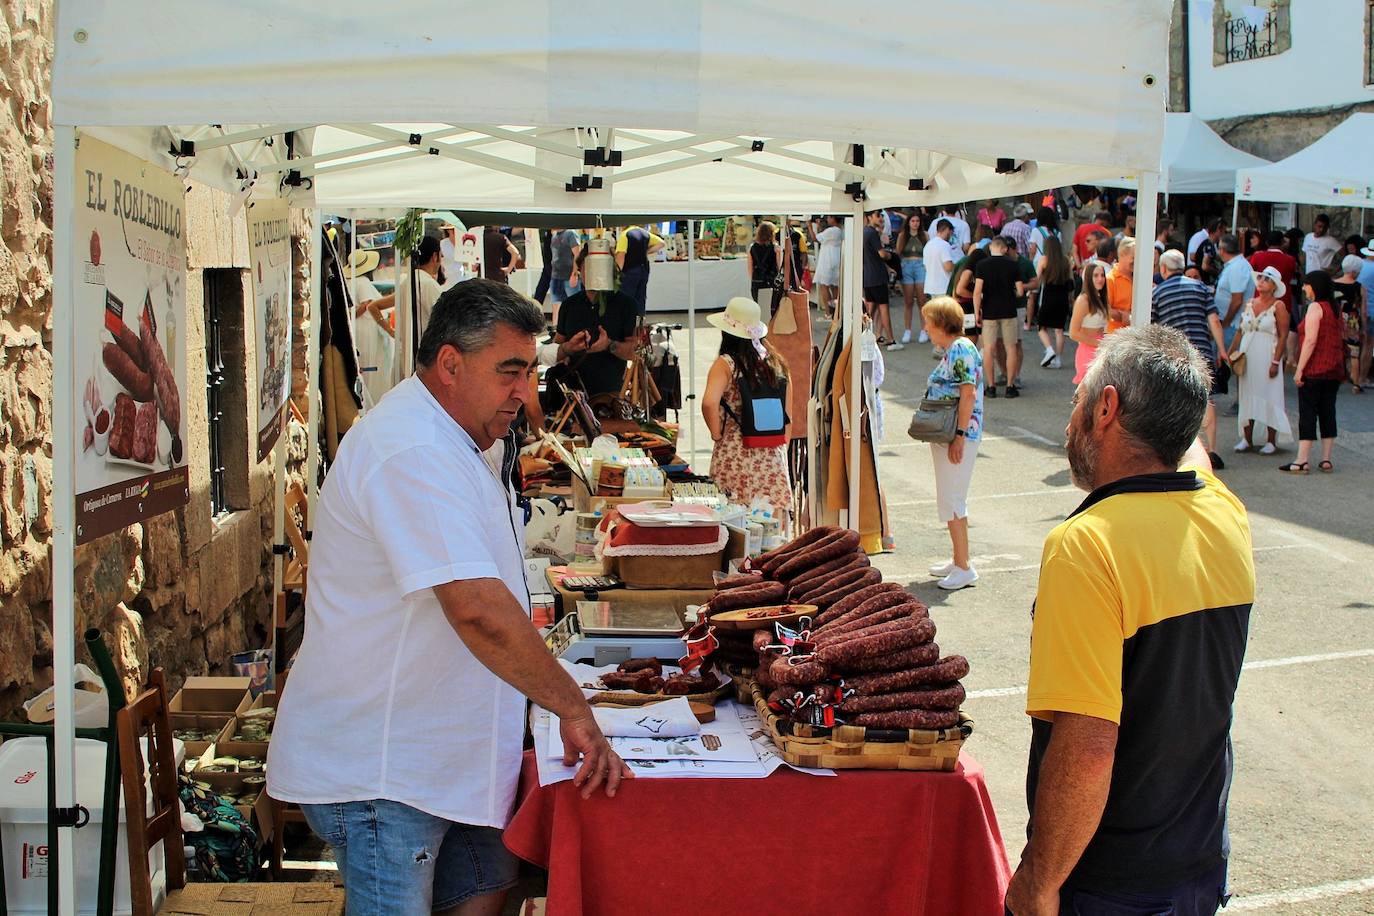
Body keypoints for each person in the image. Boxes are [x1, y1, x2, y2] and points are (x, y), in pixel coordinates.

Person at [268, 280, 629, 914]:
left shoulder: (454, 435)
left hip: (445, 758)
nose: (525, 391)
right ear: (451, 365)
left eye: (528, 371)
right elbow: (474, 606)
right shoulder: (411, 446)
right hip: (386, 769)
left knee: (486, 898)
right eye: (509, 372)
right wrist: (571, 706)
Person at [1005, 325, 1253, 916]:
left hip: (1108, 881)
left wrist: (1039, 883)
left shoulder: (1086, 545)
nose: (1070, 420)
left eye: (1078, 401)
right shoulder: (1224, 513)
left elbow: (1089, 744)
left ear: (1107, 407)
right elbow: (1190, 453)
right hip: (1196, 862)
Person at [701, 297, 793, 522]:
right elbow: (788, 414)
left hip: (735, 453)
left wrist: (716, 433)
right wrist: (780, 446)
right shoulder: (775, 362)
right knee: (769, 532)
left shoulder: (726, 363)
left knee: (735, 525)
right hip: (771, 456)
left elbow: (709, 402)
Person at [920, 296, 984, 591]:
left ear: (941, 324)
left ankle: (963, 566)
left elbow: (967, 394)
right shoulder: (958, 348)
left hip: (957, 434)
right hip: (953, 433)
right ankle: (958, 559)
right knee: (950, 496)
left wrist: (958, 436)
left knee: (952, 498)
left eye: (929, 323)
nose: (926, 328)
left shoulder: (959, 349)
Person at [1152, 249, 1230, 468]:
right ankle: (1212, 450)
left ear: (1164, 269)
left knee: (1177, 400)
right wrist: (1221, 350)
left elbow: (1153, 327)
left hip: (1173, 353)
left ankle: (1183, 451)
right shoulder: (1200, 287)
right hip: (1202, 351)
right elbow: (1214, 320)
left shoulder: (1157, 294)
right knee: (1207, 399)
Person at [553, 249, 641, 397]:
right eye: (589, 267)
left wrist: (609, 345)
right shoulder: (569, 305)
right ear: (580, 270)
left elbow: (636, 352)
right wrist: (569, 349)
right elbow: (557, 348)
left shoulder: (626, 305)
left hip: (610, 396)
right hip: (573, 396)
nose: (595, 273)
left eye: (600, 267)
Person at [1282, 271, 1346, 474]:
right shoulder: (1334, 309)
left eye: (1306, 284)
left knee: (1308, 413)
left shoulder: (1315, 308)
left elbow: (1310, 340)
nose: (1303, 288)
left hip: (1315, 369)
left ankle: (1302, 459)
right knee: (1328, 412)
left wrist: (1299, 370)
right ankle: (1326, 459)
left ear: (1314, 286)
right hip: (1333, 369)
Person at [1229, 266, 1291, 454]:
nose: (1262, 281)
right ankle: (1246, 438)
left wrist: (1275, 362)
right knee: (1247, 394)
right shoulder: (1250, 303)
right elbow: (1241, 330)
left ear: (1274, 286)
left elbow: (1283, 335)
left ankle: (1271, 440)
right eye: (1261, 278)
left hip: (1267, 354)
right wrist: (1230, 352)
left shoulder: (1278, 306)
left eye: (1267, 279)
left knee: (1270, 395)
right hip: (1248, 354)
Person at [974, 237, 1025, 398]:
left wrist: (977, 312)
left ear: (991, 248)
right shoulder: (1012, 265)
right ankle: (1010, 386)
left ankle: (991, 386)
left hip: (989, 311)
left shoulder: (982, 265)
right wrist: (1013, 294)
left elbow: (977, 291)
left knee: (989, 348)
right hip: (1009, 310)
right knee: (1011, 348)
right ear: (1004, 249)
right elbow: (1020, 290)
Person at [1033, 234, 1074, 370]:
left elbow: (1037, 278)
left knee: (1041, 327)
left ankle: (1049, 349)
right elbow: (1070, 281)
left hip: (1049, 296)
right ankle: (1059, 359)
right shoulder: (1066, 261)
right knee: (1059, 330)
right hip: (1062, 297)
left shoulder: (1044, 260)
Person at [861, 210, 899, 346]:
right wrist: (890, 256)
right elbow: (882, 254)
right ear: (870, 217)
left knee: (871, 308)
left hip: (868, 275)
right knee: (883, 307)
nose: (881, 218)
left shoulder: (864, 232)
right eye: (878, 215)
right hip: (877, 276)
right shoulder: (872, 233)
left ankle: (873, 335)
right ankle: (891, 338)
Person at [1070, 261, 1109, 384]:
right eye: (1095, 275)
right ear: (1088, 278)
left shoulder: (1100, 298)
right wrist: (1099, 343)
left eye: (1102, 275)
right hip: (1088, 351)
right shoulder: (1083, 301)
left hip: (1100, 350)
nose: (1100, 279)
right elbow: (1073, 333)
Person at [1213, 234, 1256, 342]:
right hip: (1229, 323)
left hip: (1232, 325)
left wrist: (1226, 323)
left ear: (1222, 250)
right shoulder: (1234, 265)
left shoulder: (1237, 267)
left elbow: (1237, 300)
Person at [1333, 254, 1366, 392]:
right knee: (1354, 352)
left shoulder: (1332, 284)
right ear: (1355, 271)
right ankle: (1356, 384)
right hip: (1352, 321)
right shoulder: (1359, 287)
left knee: (1336, 349)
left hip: (1336, 319)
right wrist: (1363, 326)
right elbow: (1363, 310)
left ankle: (1336, 378)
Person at [615, 224, 665, 315]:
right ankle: (640, 323)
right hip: (644, 270)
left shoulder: (625, 235)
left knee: (626, 299)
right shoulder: (645, 233)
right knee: (641, 298)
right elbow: (661, 243)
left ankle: (628, 323)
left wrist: (617, 273)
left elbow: (621, 256)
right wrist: (646, 251)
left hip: (629, 271)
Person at [1248, 230, 1299, 317]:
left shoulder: (1257, 257)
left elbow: (1250, 274)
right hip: (1283, 299)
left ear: (1267, 243)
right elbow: (1291, 276)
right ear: (1282, 243)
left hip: (1261, 298)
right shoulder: (1290, 260)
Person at [895, 212, 928, 344]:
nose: (915, 223)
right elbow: (898, 253)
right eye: (913, 221)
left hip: (921, 265)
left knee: (922, 299)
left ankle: (924, 329)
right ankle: (907, 330)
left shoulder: (924, 235)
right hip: (906, 265)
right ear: (908, 222)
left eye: (917, 221)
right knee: (908, 300)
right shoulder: (902, 236)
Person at [953, 247, 989, 344]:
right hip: (966, 307)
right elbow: (959, 290)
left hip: (967, 306)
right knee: (971, 336)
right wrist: (976, 296)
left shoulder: (967, 270)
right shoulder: (968, 272)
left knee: (972, 335)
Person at [812, 216, 844, 319]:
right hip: (837, 257)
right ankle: (836, 311)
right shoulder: (842, 230)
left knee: (824, 285)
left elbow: (815, 238)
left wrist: (809, 225)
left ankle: (828, 312)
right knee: (835, 286)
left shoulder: (832, 230)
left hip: (827, 259)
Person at [548, 227, 582, 319]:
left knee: (574, 305)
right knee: (556, 305)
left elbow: (577, 255)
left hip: (568, 276)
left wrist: (574, 274)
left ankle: (576, 327)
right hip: (556, 276)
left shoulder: (570, 233)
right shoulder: (554, 235)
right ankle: (556, 328)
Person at [1104, 237, 1136, 332]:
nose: (1137, 261)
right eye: (1134, 257)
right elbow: (1105, 309)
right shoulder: (1110, 279)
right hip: (1116, 338)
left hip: (1136, 335)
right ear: (1122, 255)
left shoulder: (1139, 278)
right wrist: (1124, 316)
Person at [746, 221, 781, 305]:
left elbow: (750, 268)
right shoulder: (775, 247)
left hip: (757, 281)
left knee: (760, 308)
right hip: (770, 281)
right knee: (770, 309)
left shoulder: (752, 247)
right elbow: (779, 265)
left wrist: (754, 280)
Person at [1357, 242, 1374, 391]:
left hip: (1358, 309)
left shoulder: (1360, 264)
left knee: (1358, 344)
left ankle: (1354, 374)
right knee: (1369, 345)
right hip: (1371, 310)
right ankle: (1362, 378)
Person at [1189, 218, 1226, 284]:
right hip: (1205, 281)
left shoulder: (1209, 244)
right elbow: (1205, 266)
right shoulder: (1208, 246)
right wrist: (1217, 272)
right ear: (1218, 230)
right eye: (1223, 231)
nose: (1224, 234)